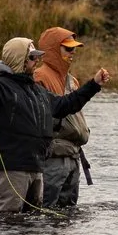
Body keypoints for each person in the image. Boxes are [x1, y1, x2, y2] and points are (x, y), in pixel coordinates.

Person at [0, 33, 109, 221]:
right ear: (20, 59)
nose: (37, 60)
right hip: (12, 170)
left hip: (37, 168)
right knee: (7, 221)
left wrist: (94, 85)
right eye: (32, 57)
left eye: (37, 56)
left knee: (32, 223)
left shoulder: (37, 91)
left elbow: (66, 105)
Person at [33, 25, 92, 211]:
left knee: (69, 212)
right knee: (45, 209)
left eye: (74, 48)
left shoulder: (72, 80)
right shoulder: (39, 76)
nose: (73, 52)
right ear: (52, 49)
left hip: (73, 156)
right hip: (53, 158)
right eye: (68, 48)